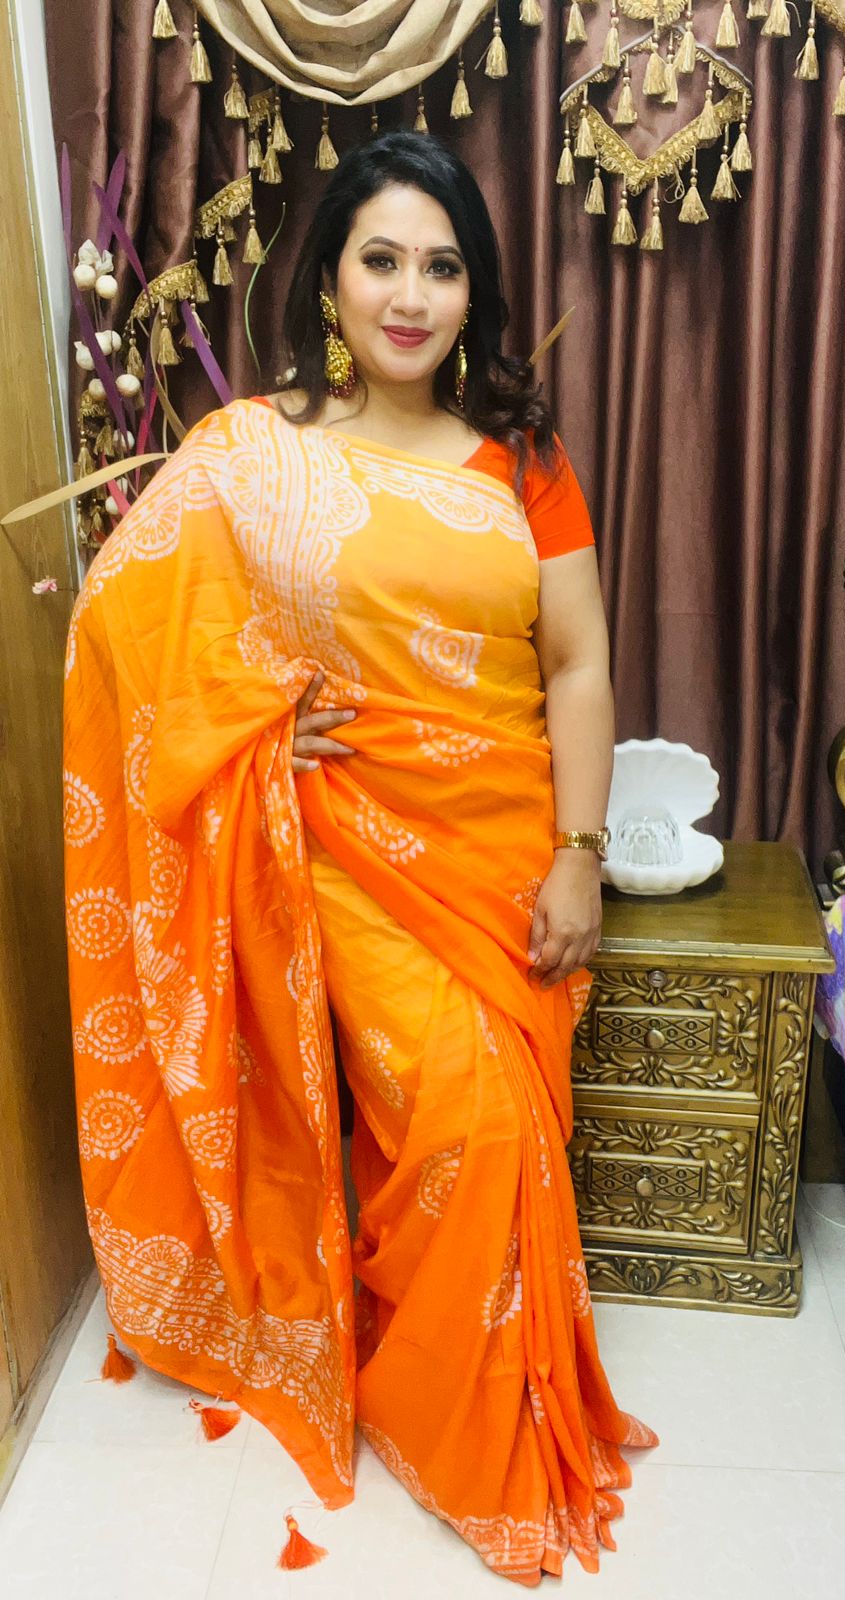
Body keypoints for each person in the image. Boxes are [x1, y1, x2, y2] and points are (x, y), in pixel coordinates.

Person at [62, 130, 656, 1586]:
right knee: (461, 1122)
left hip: (499, 847)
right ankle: (448, 1403)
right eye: (380, 260)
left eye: (441, 268)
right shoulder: (257, 453)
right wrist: (260, 723)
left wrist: (578, 856)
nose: (410, 295)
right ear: (329, 278)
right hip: (332, 851)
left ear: (474, 292)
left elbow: (577, 664)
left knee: (497, 1126)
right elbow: (126, 630)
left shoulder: (524, 458)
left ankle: (446, 1362)